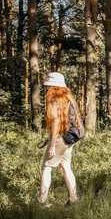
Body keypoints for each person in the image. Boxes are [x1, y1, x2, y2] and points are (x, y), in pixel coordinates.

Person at [39, 72, 83, 207]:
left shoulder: (54, 100)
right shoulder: (69, 99)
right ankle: (74, 199)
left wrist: (52, 145)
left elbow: (57, 123)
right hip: (70, 138)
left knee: (46, 167)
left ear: (53, 86)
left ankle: (42, 201)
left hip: (60, 138)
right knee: (65, 167)